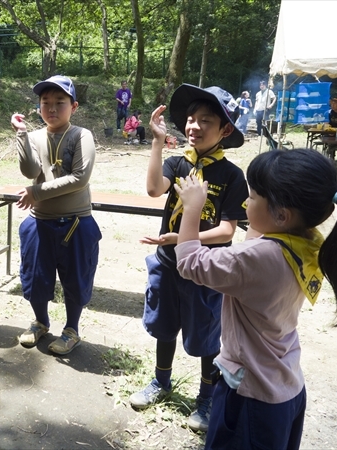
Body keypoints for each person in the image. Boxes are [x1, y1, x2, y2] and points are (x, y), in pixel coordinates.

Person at [174, 149, 337, 449]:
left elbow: (190, 262)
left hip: (250, 395)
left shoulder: (258, 258)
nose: (245, 202)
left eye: (251, 198)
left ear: (282, 214)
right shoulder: (308, 239)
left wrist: (192, 208)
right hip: (285, 385)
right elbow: (257, 244)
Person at [131, 84, 248, 432]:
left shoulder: (231, 176)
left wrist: (186, 238)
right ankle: (161, 382)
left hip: (206, 271)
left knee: (207, 337)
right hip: (168, 263)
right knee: (164, 326)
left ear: (225, 130)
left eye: (205, 121)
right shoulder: (178, 162)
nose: (194, 126)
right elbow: (154, 190)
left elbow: (227, 230)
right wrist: (156, 141)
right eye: (191, 119)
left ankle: (206, 397)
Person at [10, 75, 102, 355]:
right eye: (45, 103)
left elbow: (80, 178)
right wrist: (22, 134)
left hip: (75, 222)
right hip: (40, 222)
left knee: (75, 278)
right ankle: (40, 322)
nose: (51, 108)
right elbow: (29, 172)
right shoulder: (36, 136)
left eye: (59, 103)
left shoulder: (81, 135)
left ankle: (71, 329)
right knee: (36, 277)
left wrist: (36, 193)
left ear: (73, 106)